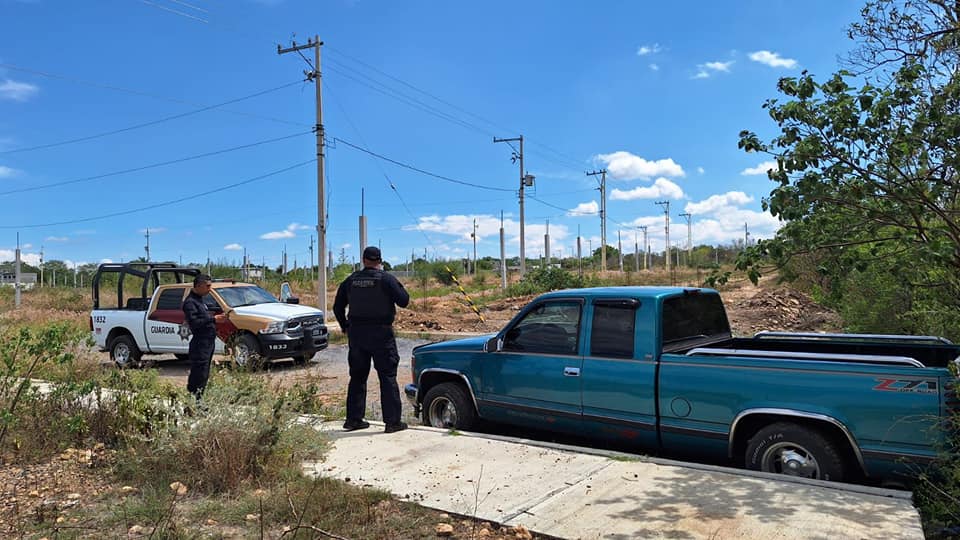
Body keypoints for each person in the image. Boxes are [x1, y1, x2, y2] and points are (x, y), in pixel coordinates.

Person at [333, 246, 411, 433]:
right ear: (380, 260)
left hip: (357, 335)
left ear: (363, 260)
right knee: (387, 376)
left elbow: (337, 306)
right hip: (381, 334)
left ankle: (353, 420)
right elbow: (404, 300)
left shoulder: (351, 280)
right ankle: (392, 422)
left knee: (357, 377)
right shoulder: (386, 279)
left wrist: (344, 326)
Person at [182, 274, 226, 398]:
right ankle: (193, 402)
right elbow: (195, 323)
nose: (209, 289)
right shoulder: (190, 303)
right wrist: (213, 319)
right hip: (200, 344)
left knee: (204, 374)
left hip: (207, 344)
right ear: (199, 285)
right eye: (207, 286)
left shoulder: (200, 300)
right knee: (198, 375)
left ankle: (199, 401)